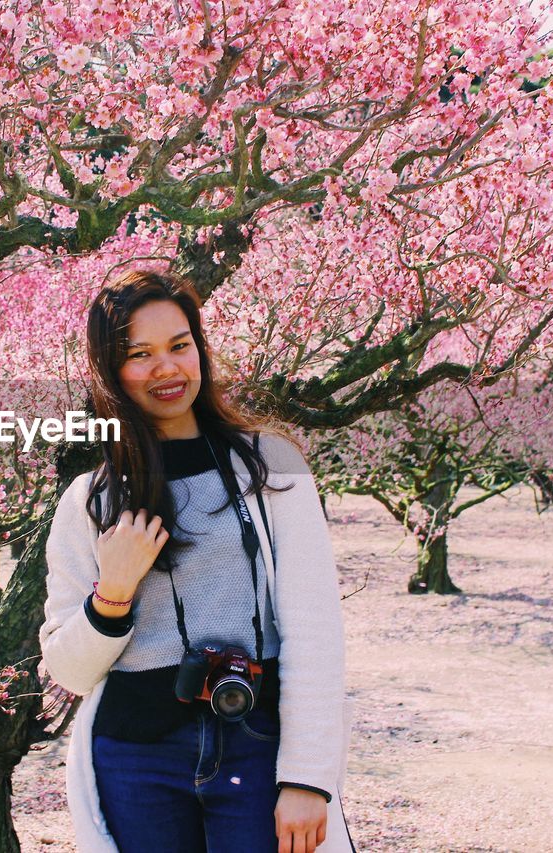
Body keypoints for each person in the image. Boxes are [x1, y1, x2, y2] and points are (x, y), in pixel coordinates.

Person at [40, 270, 354, 853]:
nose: (167, 368)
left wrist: (308, 777)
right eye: (140, 354)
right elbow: (68, 672)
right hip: (137, 758)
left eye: (180, 346)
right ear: (110, 371)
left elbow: (315, 630)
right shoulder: (90, 501)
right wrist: (112, 594)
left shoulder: (271, 470)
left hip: (255, 741)